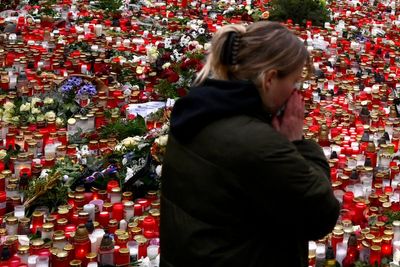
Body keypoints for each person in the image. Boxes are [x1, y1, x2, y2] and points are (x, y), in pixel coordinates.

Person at [160, 21, 340, 267]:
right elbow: (321, 213)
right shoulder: (257, 143)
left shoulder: (195, 111)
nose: (297, 92)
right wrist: (297, 142)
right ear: (269, 79)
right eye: (295, 82)